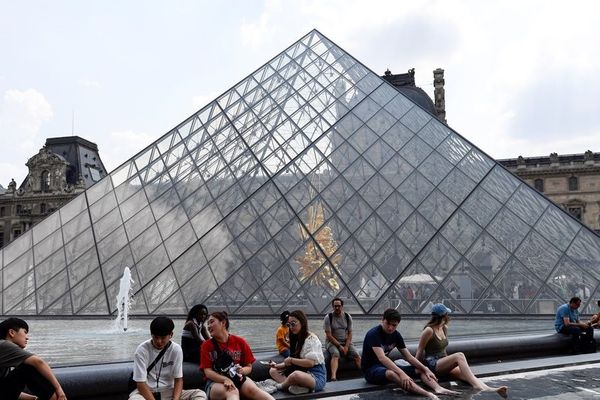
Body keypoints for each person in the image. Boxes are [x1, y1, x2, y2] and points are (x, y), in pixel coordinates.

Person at [361, 308, 459, 400]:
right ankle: (427, 394)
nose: (390, 328)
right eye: (388, 324)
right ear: (382, 320)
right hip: (371, 370)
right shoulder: (373, 334)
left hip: (385, 366)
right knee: (392, 373)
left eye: (394, 325)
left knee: (419, 369)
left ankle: (438, 388)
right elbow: (382, 358)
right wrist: (402, 374)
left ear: (398, 324)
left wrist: (426, 369)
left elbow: (409, 357)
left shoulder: (396, 335)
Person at [416, 304, 508, 397]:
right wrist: (419, 370)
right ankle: (477, 386)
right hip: (433, 364)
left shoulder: (444, 328)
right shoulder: (429, 330)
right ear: (444, 316)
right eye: (447, 314)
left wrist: (449, 363)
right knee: (459, 355)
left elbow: (443, 351)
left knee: (468, 375)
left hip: (442, 363)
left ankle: (490, 389)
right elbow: (419, 351)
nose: (449, 316)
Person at [200, 311, 273, 400]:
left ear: (223, 322)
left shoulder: (240, 342)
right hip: (215, 382)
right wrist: (224, 379)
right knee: (232, 391)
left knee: (253, 390)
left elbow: (249, 367)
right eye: (207, 324)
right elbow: (208, 372)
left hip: (237, 378)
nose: (208, 326)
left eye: (211, 322)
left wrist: (242, 370)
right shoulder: (207, 345)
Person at [130, 316, 205, 400]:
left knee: (200, 394)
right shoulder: (142, 350)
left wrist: (175, 399)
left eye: (163, 338)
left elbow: (178, 380)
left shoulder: (176, 350)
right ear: (151, 334)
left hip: (169, 391)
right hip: (147, 392)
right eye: (156, 337)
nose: (159, 341)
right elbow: (140, 384)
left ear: (171, 335)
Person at [0, 317, 67, 400]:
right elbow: (38, 362)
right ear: (11, 332)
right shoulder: (3, 345)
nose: (27, 337)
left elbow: (6, 389)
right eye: (25, 332)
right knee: (28, 368)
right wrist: (59, 389)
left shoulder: (5, 353)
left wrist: (34, 398)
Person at [269, 310, 326, 394]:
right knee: (272, 370)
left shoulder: (311, 339)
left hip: (315, 377)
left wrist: (291, 360)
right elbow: (291, 362)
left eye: (293, 323)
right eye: (289, 325)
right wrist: (276, 365)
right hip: (301, 371)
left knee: (296, 375)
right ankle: (297, 387)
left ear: (302, 322)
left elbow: (310, 363)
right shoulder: (295, 338)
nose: (291, 327)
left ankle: (281, 386)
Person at [323, 298, 360, 381]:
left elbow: (350, 333)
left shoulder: (347, 316)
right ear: (332, 306)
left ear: (342, 306)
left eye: (338, 306)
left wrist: (346, 346)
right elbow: (329, 335)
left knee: (357, 355)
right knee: (336, 354)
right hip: (331, 342)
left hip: (345, 341)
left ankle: (363, 372)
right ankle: (333, 377)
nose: (337, 308)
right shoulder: (328, 317)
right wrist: (339, 346)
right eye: (335, 306)